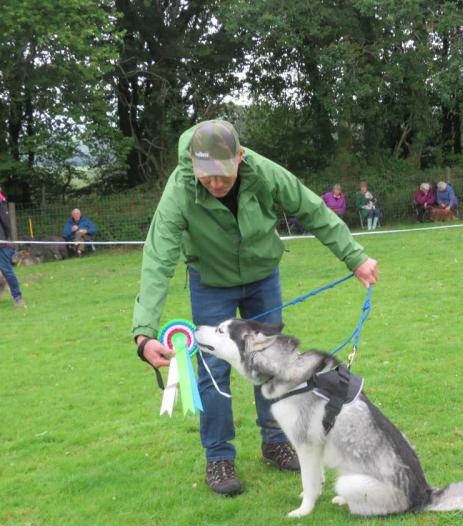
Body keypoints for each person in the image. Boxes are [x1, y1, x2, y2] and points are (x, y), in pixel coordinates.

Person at [132, 119, 379, 495]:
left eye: (223, 175)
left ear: (240, 158)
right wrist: (144, 332)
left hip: (263, 276)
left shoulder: (263, 172)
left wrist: (355, 257)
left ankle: (275, 441)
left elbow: (312, 208)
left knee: (272, 361)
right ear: (193, 165)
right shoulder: (180, 190)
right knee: (213, 370)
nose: (216, 184)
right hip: (210, 282)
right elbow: (158, 258)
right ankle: (218, 457)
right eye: (206, 176)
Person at [0, 187, 25, 307]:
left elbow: (5, 222)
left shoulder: (1, 201)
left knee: (6, 271)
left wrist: (4, 237)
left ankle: (17, 296)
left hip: (1, 243)